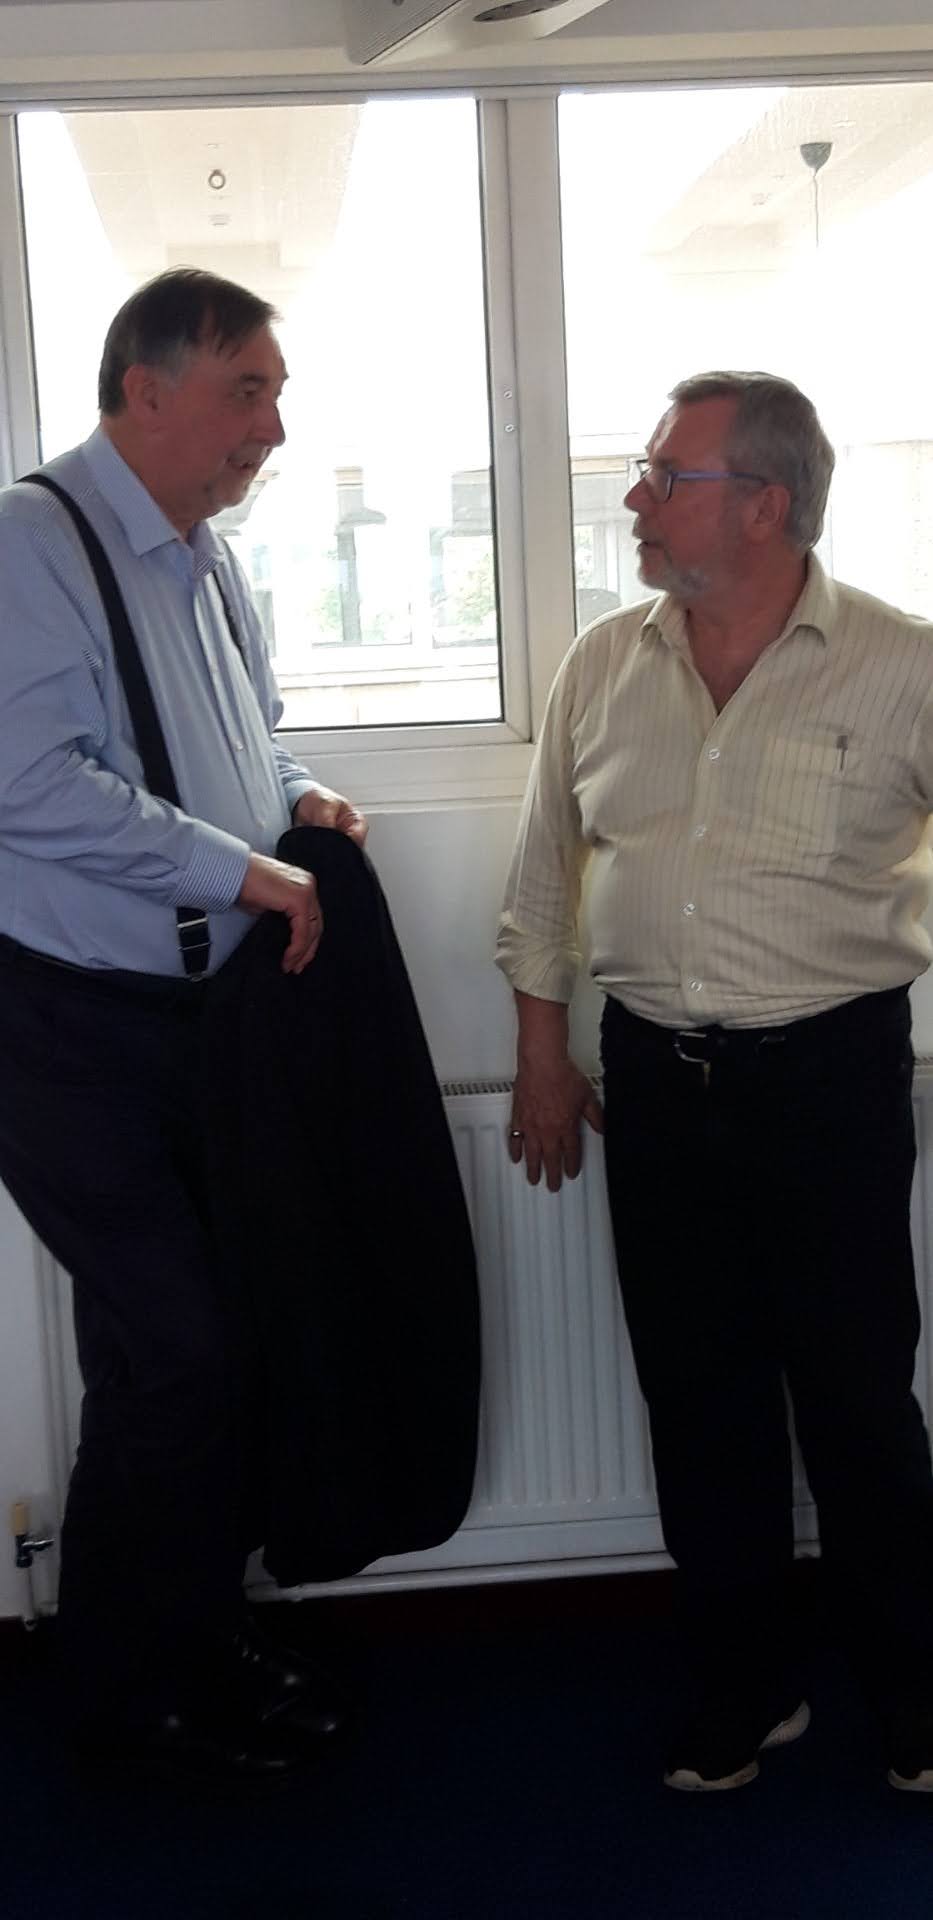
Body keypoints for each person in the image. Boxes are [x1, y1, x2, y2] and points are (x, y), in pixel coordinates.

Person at [496, 370, 933, 1795]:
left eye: (661, 475)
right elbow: (544, 873)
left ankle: (911, 1693)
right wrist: (542, 1055)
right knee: (699, 1404)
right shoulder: (601, 665)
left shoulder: (903, 665)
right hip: (655, 1085)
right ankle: (747, 1691)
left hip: (831, 1082)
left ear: (762, 504)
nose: (633, 499)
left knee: (859, 1406)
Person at [0, 268, 377, 1785]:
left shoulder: (205, 560)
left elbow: (245, 739)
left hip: (195, 1026)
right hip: (65, 1032)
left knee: (177, 1363)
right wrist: (242, 869)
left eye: (275, 395)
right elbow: (30, 784)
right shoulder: (30, 544)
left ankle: (181, 1652)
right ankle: (135, 1692)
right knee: (183, 1358)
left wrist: (298, 797)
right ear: (144, 390)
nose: (271, 428)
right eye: (247, 392)